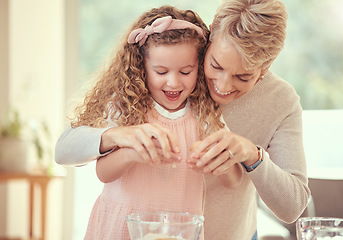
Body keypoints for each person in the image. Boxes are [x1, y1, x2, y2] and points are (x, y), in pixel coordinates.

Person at [55, 0, 311, 239]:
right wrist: (119, 138)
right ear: (210, 36)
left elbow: (292, 206)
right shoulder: (156, 81)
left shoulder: (279, 102)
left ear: (265, 68)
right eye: (216, 65)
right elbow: (68, 150)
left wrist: (249, 155)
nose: (222, 86)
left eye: (243, 77)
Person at [62, 5, 227, 239]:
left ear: (199, 68)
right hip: (121, 229)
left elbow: (233, 178)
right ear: (142, 68)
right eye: (161, 71)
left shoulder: (206, 114)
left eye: (186, 71)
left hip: (180, 232)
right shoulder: (126, 107)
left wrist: (219, 160)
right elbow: (101, 171)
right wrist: (132, 152)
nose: (173, 82)